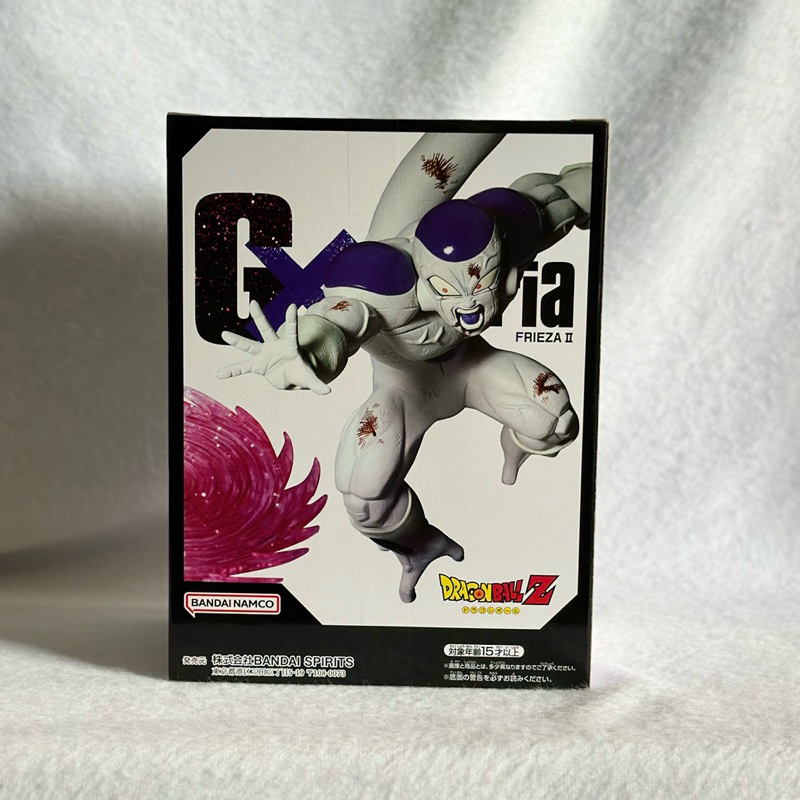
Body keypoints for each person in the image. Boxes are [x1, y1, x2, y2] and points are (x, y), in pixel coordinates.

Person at [217, 132, 591, 602]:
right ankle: (418, 546)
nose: (470, 305)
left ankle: (517, 444)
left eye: (485, 285)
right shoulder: (385, 283)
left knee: (555, 422)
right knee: (366, 499)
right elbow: (341, 317)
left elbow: (569, 193)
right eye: (449, 289)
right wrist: (307, 351)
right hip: (404, 389)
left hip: (471, 367)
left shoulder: (518, 226)